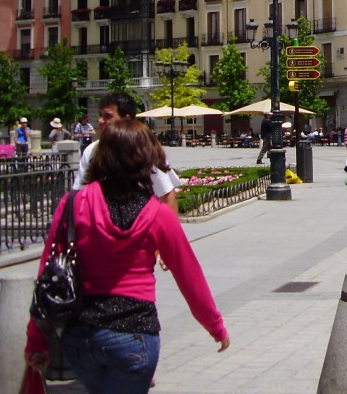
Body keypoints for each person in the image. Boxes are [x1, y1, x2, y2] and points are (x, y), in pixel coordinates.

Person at [24, 118, 230, 392]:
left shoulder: (73, 204)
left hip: (82, 336)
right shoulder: (157, 214)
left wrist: (36, 340)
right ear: (146, 159)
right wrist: (215, 326)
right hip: (136, 335)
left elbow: (47, 275)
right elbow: (188, 274)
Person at [75, 93, 181, 213]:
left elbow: (167, 197)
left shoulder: (145, 150)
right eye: (100, 115)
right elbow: (80, 194)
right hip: (101, 227)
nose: (100, 121)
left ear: (126, 120)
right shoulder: (92, 151)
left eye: (107, 116)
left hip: (141, 225)